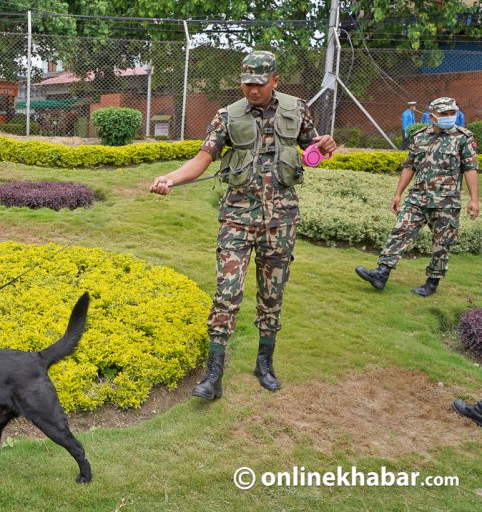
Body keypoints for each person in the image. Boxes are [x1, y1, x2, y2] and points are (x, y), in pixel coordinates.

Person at [149, 51, 336, 396]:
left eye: (260, 84)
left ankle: (265, 363)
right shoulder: (227, 116)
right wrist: (171, 179)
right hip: (237, 218)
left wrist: (324, 146)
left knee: (272, 296)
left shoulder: (297, 109)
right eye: (247, 82)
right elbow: (203, 158)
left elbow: (314, 151)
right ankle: (214, 375)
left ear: (275, 80)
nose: (253, 89)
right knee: (226, 293)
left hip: (281, 220)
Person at [355, 97, 479, 296]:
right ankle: (382, 273)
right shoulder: (420, 136)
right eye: (444, 114)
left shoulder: (463, 137)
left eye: (452, 113)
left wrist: (474, 200)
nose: (450, 117)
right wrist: (398, 194)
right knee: (400, 230)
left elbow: (471, 169)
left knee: (441, 244)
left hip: (446, 202)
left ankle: (432, 283)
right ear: (432, 116)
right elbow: (409, 166)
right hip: (418, 198)